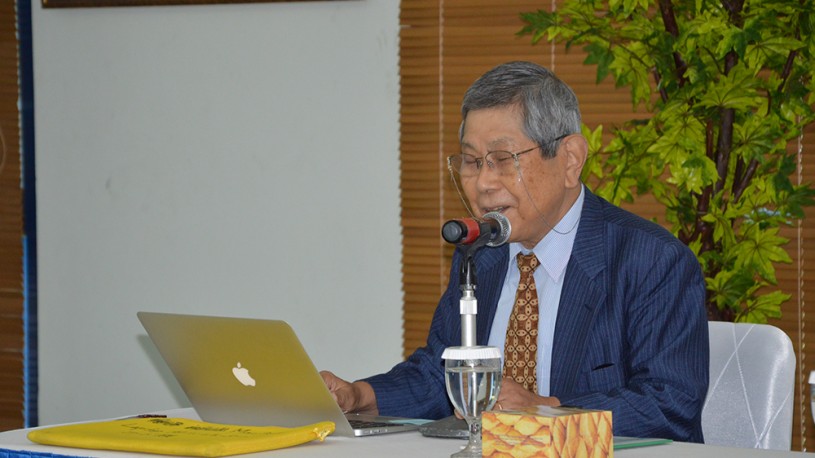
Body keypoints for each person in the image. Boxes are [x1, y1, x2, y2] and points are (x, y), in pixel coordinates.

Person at [321, 61, 709, 443]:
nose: (484, 183)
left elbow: (670, 403)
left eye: (503, 160)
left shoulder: (650, 260)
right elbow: (440, 375)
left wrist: (546, 410)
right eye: (472, 162)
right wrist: (358, 397)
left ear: (570, 159)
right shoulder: (480, 254)